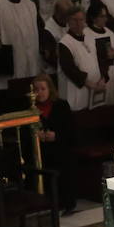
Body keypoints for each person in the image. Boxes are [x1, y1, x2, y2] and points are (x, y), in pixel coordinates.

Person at [30, 74, 77, 213]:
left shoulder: (61, 105)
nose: (39, 93)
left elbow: (71, 131)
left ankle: (67, 202)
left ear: (50, 89)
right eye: (36, 90)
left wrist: (56, 136)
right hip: (41, 150)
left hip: (61, 147)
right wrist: (37, 136)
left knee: (65, 161)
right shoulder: (31, 110)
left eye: (43, 89)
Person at [56, 5, 103, 112]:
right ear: (68, 21)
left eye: (81, 20)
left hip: (93, 92)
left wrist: (102, 78)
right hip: (76, 93)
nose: (78, 23)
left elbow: (98, 59)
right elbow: (69, 69)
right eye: (74, 20)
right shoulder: (65, 43)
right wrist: (89, 84)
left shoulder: (90, 38)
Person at [85, 4, 114, 106]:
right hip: (97, 75)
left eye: (106, 16)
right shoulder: (86, 33)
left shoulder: (110, 33)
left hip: (112, 73)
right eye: (102, 16)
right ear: (93, 17)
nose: (105, 19)